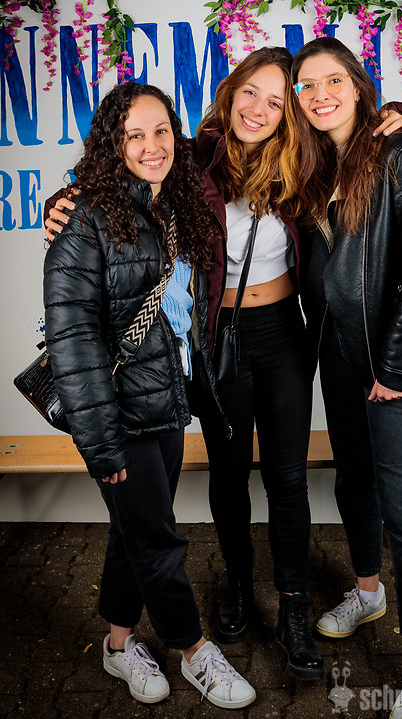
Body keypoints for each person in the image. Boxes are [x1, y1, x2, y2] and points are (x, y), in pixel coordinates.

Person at [44, 48, 402, 682]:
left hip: (284, 336)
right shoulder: (194, 157)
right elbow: (123, 168)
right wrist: (64, 196)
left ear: (289, 111)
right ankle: (239, 585)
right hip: (217, 339)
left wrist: (399, 113)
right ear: (230, 91)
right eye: (251, 93)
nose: (259, 109)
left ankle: (293, 606)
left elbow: (356, 138)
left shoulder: (307, 160)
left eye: (276, 101)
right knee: (228, 473)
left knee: (287, 478)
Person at [43, 82, 257, 709]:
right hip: (117, 415)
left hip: (165, 403)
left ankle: (117, 645)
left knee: (132, 530)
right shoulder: (84, 220)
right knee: (158, 538)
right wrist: (101, 443)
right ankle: (193, 649)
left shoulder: (174, 206)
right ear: (112, 145)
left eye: (160, 130)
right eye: (133, 134)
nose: (151, 145)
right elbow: (74, 341)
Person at [288, 37, 402, 719]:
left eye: (332, 81)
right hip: (338, 353)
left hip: (393, 360)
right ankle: (368, 592)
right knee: (352, 480)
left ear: (358, 85)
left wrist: (395, 370)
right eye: (306, 86)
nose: (320, 96)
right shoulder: (314, 167)